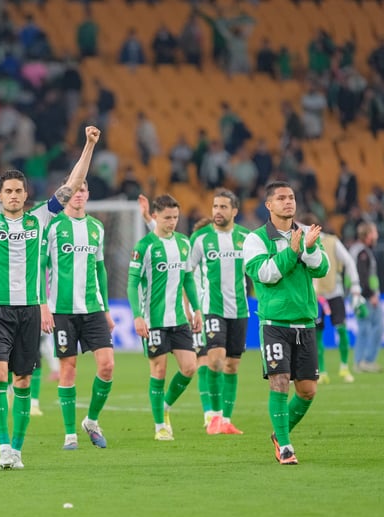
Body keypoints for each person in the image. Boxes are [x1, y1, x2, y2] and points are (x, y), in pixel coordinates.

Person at [0, 118, 100, 470]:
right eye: (7, 191)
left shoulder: (41, 218)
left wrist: (88, 145)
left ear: (26, 195)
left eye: (18, 191)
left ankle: (18, 449)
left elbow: (72, 185)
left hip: (28, 312)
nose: (13, 195)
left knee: (23, 381)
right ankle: (3, 447)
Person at [244, 181, 329, 465]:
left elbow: (322, 268)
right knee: (279, 382)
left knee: (307, 391)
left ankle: (278, 434)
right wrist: (292, 252)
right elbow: (265, 274)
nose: (288, 201)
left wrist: (309, 249)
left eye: (291, 197)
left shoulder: (305, 233)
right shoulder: (256, 239)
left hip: (305, 322)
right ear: (269, 205)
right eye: (281, 198)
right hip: (274, 323)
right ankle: (285, 446)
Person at [41, 180, 115, 450]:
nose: (77, 195)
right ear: (64, 195)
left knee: (107, 366)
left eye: (82, 190)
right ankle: (69, 434)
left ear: (88, 194)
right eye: (72, 191)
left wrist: (106, 310)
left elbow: (100, 270)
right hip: (62, 310)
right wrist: (43, 305)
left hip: (93, 308)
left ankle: (91, 421)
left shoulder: (96, 227)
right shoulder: (52, 226)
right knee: (68, 369)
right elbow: (40, 267)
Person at [128, 194, 202, 442]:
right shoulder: (144, 247)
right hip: (154, 321)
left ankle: (165, 405)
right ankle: (160, 425)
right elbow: (132, 284)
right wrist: (138, 316)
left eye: (175, 217)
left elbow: (188, 279)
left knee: (190, 367)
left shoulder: (183, 243)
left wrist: (197, 309)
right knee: (159, 370)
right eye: (167, 217)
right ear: (155, 217)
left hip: (179, 319)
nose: (172, 222)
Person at [186, 189, 251, 435]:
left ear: (234, 211)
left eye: (223, 207)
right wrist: (192, 308)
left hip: (240, 309)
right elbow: (187, 274)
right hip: (212, 308)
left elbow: (258, 270)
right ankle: (213, 416)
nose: (217, 211)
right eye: (215, 206)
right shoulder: (201, 238)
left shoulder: (246, 238)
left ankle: (225, 420)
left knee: (232, 365)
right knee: (214, 359)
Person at [299, 214, 361, 384]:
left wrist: (355, 286)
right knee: (317, 334)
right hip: (315, 296)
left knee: (340, 329)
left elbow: (349, 262)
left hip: (334, 292)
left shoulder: (332, 241)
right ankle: (322, 371)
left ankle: (344, 367)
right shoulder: (301, 242)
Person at [350, 222, 383, 373]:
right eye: (374, 232)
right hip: (364, 296)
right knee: (372, 327)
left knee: (368, 327)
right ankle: (364, 361)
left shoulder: (357, 249)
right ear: (368, 234)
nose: (377, 235)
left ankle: (363, 361)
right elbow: (362, 276)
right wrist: (371, 295)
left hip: (359, 295)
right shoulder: (362, 252)